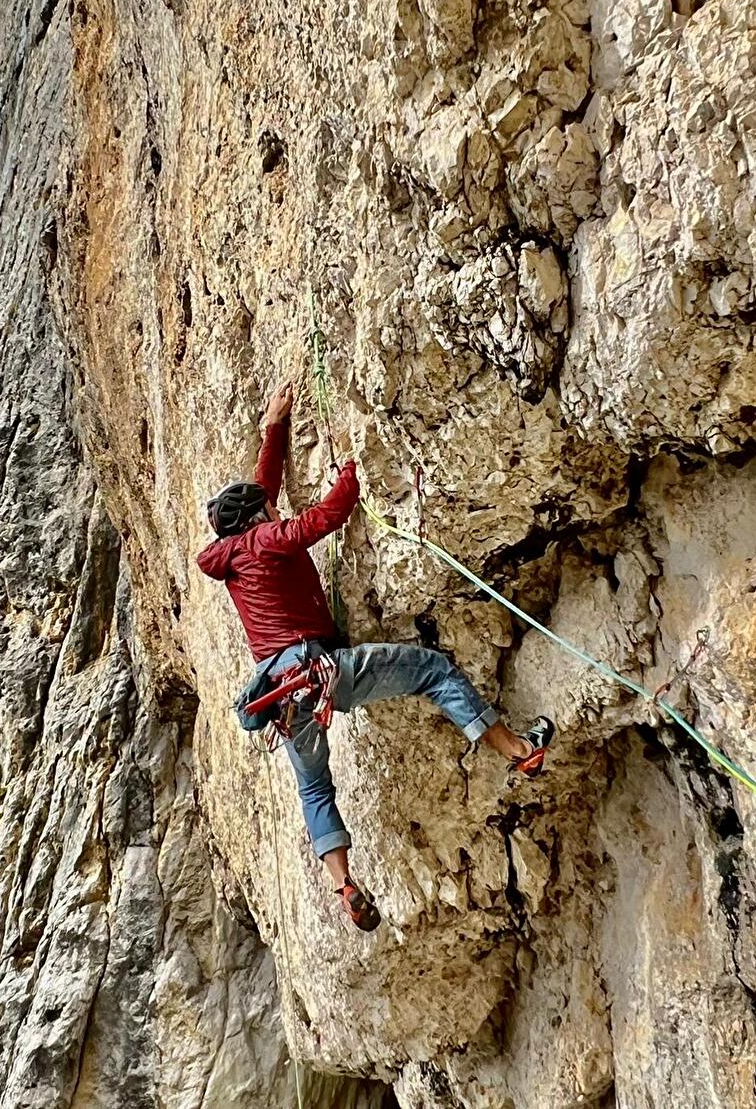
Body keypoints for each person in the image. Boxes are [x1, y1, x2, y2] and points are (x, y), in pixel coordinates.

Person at [197, 383, 554, 931]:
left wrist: (275, 426)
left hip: (283, 699)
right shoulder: (269, 539)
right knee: (433, 671)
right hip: (323, 673)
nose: (271, 503)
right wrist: (350, 466)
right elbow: (326, 516)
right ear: (256, 518)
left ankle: (343, 883)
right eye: (265, 508)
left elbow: (261, 490)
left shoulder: (233, 555)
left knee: (314, 785)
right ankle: (518, 749)